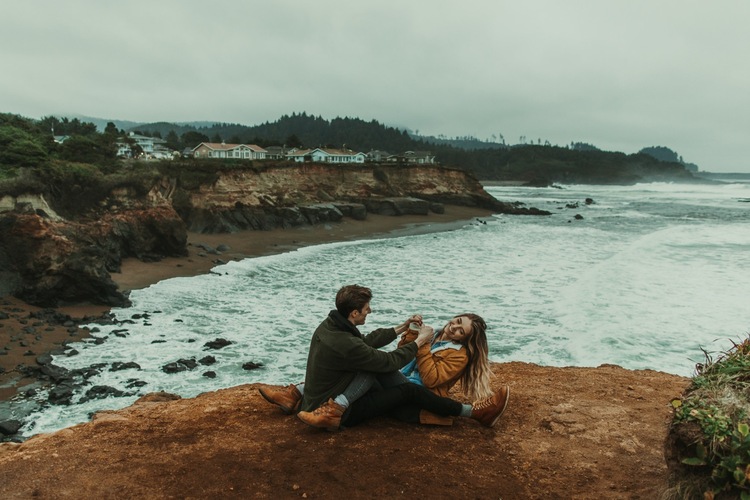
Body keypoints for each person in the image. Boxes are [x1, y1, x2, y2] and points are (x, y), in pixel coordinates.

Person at [258, 284, 509, 430]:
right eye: (456, 322)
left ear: (466, 339)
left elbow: (430, 379)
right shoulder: (433, 339)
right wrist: (414, 336)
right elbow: (386, 353)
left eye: (460, 329)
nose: (454, 327)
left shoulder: (330, 326)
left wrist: (412, 335)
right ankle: (309, 399)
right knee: (371, 364)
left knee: (380, 369)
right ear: (354, 313)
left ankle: (299, 395)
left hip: (418, 392)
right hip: (398, 385)